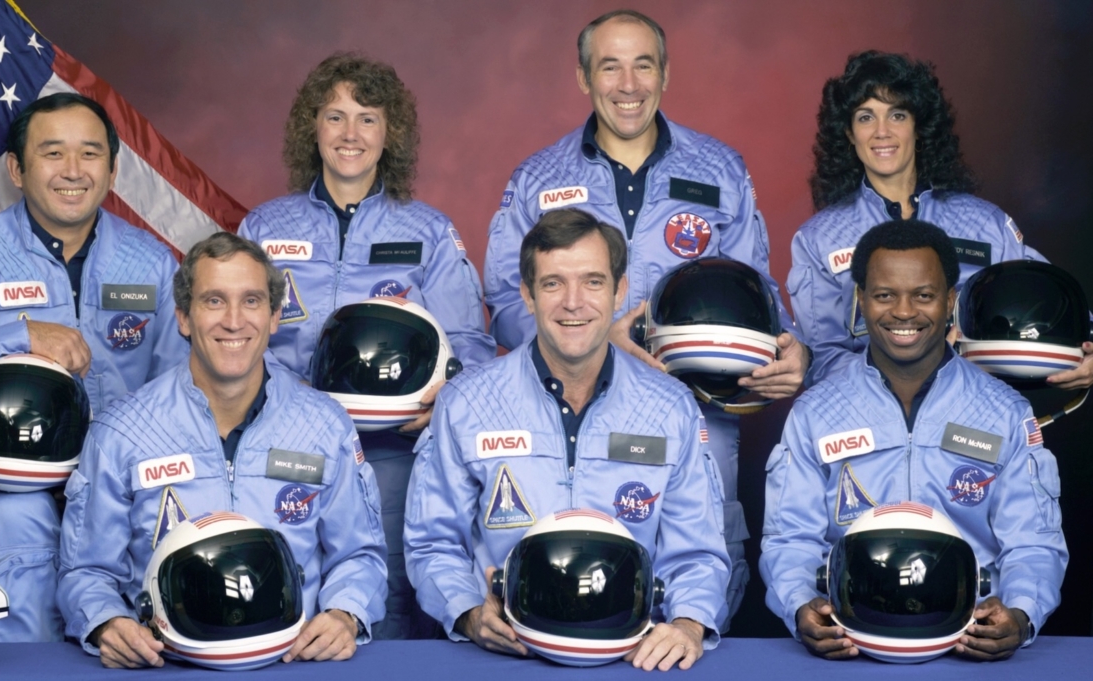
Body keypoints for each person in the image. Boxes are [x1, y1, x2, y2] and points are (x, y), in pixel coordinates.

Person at [482, 9, 806, 623]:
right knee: (580, 583)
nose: (628, 84)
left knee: (696, 589)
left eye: (643, 65)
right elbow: (503, 302)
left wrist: (793, 350)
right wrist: (592, 341)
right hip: (568, 411)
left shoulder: (721, 170)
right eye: (610, 66)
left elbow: (759, 295)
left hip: (699, 412)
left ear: (665, 74)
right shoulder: (537, 178)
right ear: (583, 77)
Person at [0, 93, 186, 641]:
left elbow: (183, 388)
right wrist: (17, 335)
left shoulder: (149, 262)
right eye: (53, 153)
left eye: (90, 154)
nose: (72, 171)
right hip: (12, 487)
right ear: (17, 169)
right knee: (17, 529)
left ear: (113, 168)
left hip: (123, 484)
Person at [238, 53, 494, 640]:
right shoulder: (263, 228)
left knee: (392, 599)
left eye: (368, 119)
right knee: (284, 594)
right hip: (283, 448)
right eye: (335, 117)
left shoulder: (428, 231)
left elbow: (471, 346)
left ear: (390, 134)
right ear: (312, 128)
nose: (350, 134)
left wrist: (443, 399)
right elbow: (230, 333)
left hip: (391, 456)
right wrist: (284, 397)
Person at [406, 209, 729, 672]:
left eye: (593, 282)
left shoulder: (669, 407)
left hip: (633, 657)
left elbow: (697, 552)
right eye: (553, 283)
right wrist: (468, 611)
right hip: (506, 655)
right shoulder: (467, 402)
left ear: (619, 291)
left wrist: (689, 624)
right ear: (527, 295)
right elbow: (432, 541)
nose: (573, 303)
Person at [57, 232, 387, 668]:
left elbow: (360, 555)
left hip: (293, 664)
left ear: (274, 316)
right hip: (168, 665)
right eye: (214, 301)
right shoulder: (122, 431)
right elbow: (86, 571)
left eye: (251, 301)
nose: (234, 321)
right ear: (183, 318)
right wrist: (105, 621)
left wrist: (346, 613)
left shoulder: (325, 425)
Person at [760, 219, 1067, 661]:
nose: (904, 312)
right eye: (885, 295)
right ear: (861, 301)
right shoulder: (816, 412)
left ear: (950, 302)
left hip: (968, 643)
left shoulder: (1004, 411)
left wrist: (1020, 612)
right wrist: (797, 606)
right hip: (852, 642)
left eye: (923, 295)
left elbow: (1033, 542)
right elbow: (790, 539)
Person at [788, 50, 1093, 389]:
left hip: (975, 411)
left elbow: (1050, 302)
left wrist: (1087, 346)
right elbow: (822, 358)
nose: (882, 132)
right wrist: (905, 372)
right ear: (848, 133)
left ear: (919, 126)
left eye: (897, 115)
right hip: (869, 422)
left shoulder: (984, 224)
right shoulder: (818, 238)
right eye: (865, 117)